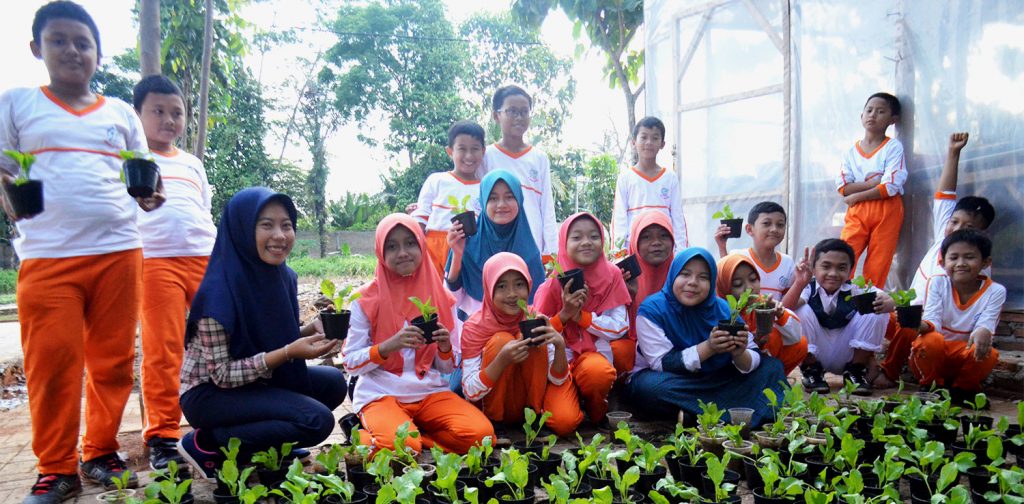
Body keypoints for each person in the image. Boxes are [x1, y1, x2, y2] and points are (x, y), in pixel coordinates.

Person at [0, 2, 165, 499]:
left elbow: (144, 179)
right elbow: (5, 172)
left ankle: (98, 450)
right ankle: (56, 468)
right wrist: (8, 198)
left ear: (97, 53)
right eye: (59, 40)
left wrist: (152, 197)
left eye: (82, 42)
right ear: (37, 48)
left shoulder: (118, 114)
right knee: (52, 364)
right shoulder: (16, 104)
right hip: (47, 257)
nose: (72, 50)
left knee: (113, 361)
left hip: (118, 251)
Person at [175, 188, 345, 479]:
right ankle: (206, 443)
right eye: (266, 225)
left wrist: (312, 330)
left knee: (334, 383)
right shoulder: (217, 295)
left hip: (257, 381)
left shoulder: (282, 276)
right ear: (242, 228)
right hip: (210, 394)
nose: (279, 235)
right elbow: (223, 375)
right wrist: (290, 352)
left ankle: (271, 444)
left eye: (286, 225)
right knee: (317, 421)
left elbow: (275, 336)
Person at [341, 214, 493, 454]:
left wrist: (444, 348)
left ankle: (415, 440)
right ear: (381, 252)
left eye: (410, 243)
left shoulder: (442, 298)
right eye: (392, 246)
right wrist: (387, 346)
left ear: (422, 246)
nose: (403, 252)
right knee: (400, 448)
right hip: (381, 393)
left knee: (481, 437)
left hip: (429, 392)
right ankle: (361, 433)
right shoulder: (365, 300)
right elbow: (350, 363)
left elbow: (446, 368)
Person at [132, 74, 217, 470]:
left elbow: (203, 212)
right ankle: (163, 435)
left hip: (204, 258)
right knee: (163, 349)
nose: (169, 120)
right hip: (155, 261)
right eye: (158, 111)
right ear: (138, 115)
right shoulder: (131, 163)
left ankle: (218, 424)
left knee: (219, 341)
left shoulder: (192, 164)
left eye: (177, 113)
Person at [879, 132, 995, 384]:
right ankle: (863, 365)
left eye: (968, 227)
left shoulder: (977, 267)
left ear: (981, 234)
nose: (957, 229)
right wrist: (953, 152)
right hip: (911, 315)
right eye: (955, 221)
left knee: (909, 321)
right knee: (872, 311)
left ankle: (890, 373)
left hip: (933, 328)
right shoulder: (942, 237)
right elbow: (945, 194)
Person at [624, 248, 787, 426]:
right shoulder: (652, 310)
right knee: (649, 388)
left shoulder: (723, 309)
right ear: (673, 275)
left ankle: (691, 414)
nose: (693, 282)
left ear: (712, 283)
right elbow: (661, 363)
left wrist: (739, 354)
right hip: (673, 379)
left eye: (703, 277)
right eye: (685, 274)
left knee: (772, 368)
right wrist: (709, 347)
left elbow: (752, 352)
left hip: (716, 378)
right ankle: (735, 411)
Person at [460, 252, 583, 436]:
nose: (512, 294)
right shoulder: (474, 327)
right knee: (501, 340)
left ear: (529, 285)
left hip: (526, 402)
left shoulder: (535, 318)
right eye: (501, 286)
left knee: (531, 337)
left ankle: (532, 419)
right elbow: (470, 391)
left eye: (519, 284)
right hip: (490, 405)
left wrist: (559, 345)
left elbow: (557, 379)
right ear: (489, 288)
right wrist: (501, 359)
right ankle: (496, 422)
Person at [533, 213, 631, 424]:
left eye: (594, 236)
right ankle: (569, 399)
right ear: (564, 243)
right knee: (563, 422)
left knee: (598, 373)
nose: (586, 242)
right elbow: (538, 335)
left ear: (602, 241)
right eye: (576, 237)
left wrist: (581, 317)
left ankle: (597, 411)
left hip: (594, 353)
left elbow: (620, 326)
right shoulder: (552, 284)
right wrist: (565, 315)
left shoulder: (612, 275)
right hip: (559, 361)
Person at [790, 239, 890, 395]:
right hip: (816, 352)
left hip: (848, 353)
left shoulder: (854, 288)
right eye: (826, 266)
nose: (833, 274)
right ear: (814, 268)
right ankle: (812, 371)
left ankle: (855, 372)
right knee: (800, 309)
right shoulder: (808, 288)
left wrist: (890, 303)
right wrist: (799, 283)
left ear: (850, 270)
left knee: (876, 306)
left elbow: (884, 296)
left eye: (841, 268)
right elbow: (787, 307)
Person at [910, 230, 1002, 398]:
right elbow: (933, 320)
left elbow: (987, 322)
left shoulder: (995, 291)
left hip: (964, 356)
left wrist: (983, 330)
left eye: (969, 257)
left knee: (990, 353)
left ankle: (964, 389)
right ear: (942, 262)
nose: (961, 263)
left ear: (986, 262)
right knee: (931, 340)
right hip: (933, 356)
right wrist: (917, 324)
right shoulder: (937, 283)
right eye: (953, 258)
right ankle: (931, 385)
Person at [446, 170, 546, 324]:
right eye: (493, 198)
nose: (501, 205)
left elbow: (538, 305)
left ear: (519, 199)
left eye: (509, 197)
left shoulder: (530, 252)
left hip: (518, 335)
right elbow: (453, 300)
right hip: (475, 332)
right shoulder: (467, 242)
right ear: (483, 201)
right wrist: (458, 255)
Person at [837, 92, 907, 288]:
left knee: (878, 262)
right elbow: (843, 187)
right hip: (858, 210)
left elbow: (890, 186)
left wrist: (857, 195)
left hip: (887, 209)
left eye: (880, 111)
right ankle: (837, 298)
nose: (872, 115)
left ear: (893, 120)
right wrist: (870, 184)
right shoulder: (851, 152)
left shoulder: (893, 147)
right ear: (861, 116)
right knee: (845, 253)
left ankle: (867, 309)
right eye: (869, 110)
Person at [480, 85, 557, 258]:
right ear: (496, 115)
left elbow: (547, 208)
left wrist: (551, 252)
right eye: (512, 111)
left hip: (532, 248)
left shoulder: (539, 158)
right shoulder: (486, 156)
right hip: (494, 246)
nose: (519, 117)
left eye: (524, 112)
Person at [716, 254, 808, 375]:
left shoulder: (762, 303)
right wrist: (753, 340)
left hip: (759, 358)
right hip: (731, 369)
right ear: (724, 287)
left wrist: (780, 314)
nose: (749, 288)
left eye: (753, 279)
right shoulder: (719, 311)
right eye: (738, 284)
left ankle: (774, 378)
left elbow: (795, 335)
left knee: (798, 344)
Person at [413, 120, 484, 276]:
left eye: (475, 149)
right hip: (433, 249)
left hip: (468, 251)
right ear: (450, 151)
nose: (469, 155)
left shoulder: (485, 189)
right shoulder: (436, 180)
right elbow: (421, 217)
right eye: (462, 149)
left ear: (483, 151)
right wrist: (415, 247)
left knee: (459, 296)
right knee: (431, 297)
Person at [610, 116, 688, 251]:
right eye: (644, 137)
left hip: (664, 249)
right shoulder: (625, 178)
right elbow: (619, 219)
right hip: (635, 249)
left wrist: (681, 253)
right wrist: (619, 254)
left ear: (662, 144)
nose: (649, 142)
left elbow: (678, 218)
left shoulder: (670, 178)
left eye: (655, 138)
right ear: (634, 142)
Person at [620, 211, 676, 374]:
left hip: (676, 354)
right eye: (646, 237)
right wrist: (627, 295)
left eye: (664, 236)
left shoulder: (684, 275)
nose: (656, 243)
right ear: (635, 242)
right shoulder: (622, 277)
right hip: (635, 358)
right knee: (620, 351)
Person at [714, 201, 798, 308]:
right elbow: (724, 281)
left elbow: (786, 307)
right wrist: (722, 247)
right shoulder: (738, 256)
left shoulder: (788, 262)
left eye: (780, 225)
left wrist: (799, 283)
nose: (774, 229)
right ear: (749, 229)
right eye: (766, 223)